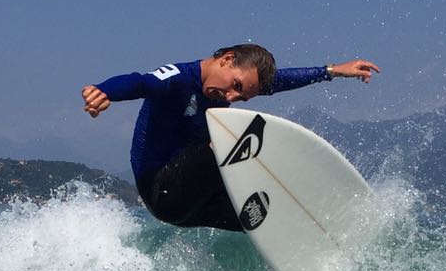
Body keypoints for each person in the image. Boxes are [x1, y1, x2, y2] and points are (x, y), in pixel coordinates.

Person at [82, 44, 379, 231]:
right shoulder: (178, 79)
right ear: (226, 59)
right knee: (236, 138)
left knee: (268, 214)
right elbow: (140, 82)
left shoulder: (229, 86)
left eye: (242, 95)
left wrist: (330, 71)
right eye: (235, 85)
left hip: (198, 204)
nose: (232, 97)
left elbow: (280, 81)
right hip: (162, 190)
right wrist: (104, 91)